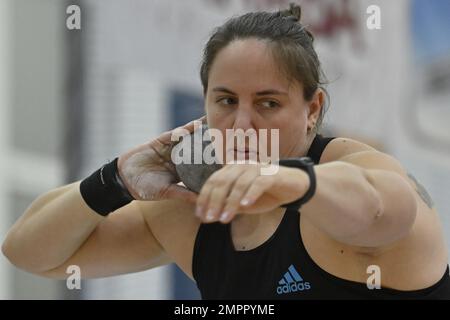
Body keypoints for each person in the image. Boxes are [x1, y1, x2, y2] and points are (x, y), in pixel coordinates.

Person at [2, 4, 450, 299]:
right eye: (226, 101)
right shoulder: (188, 212)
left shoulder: (351, 172)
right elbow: (31, 253)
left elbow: (380, 209)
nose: (242, 125)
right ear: (204, 105)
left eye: (268, 103)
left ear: (312, 109)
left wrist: (287, 180)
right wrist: (114, 180)